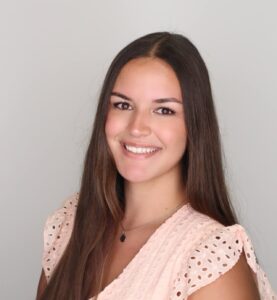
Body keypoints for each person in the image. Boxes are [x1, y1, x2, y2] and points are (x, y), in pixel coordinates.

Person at [36, 32, 276, 300]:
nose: (137, 127)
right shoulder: (70, 223)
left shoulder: (210, 258)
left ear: (194, 126)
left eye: (164, 110)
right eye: (123, 105)